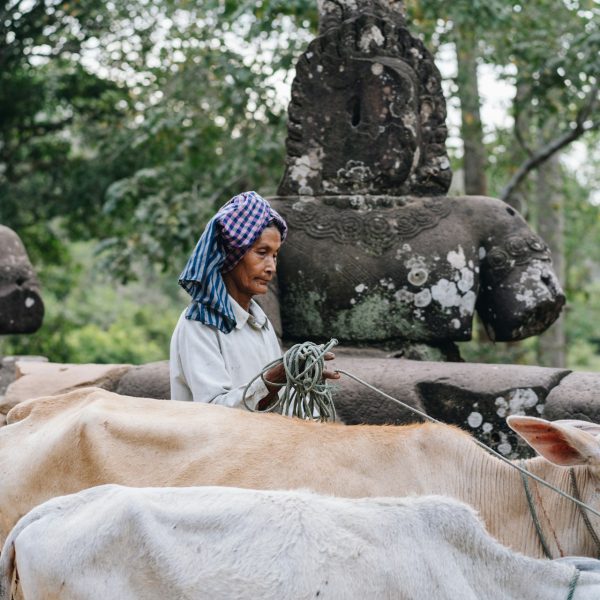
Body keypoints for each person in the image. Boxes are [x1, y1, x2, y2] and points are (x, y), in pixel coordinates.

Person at [169, 191, 339, 411]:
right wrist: (276, 377)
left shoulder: (260, 323)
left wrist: (302, 379)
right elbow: (213, 413)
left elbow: (280, 403)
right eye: (261, 253)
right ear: (232, 255)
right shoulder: (200, 324)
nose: (271, 267)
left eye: (275, 255)